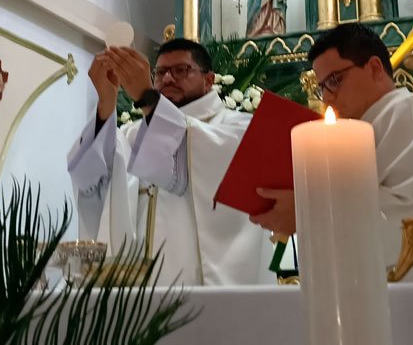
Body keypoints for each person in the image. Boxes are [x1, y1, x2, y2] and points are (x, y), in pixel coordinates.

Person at [67, 39, 269, 285]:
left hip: (201, 290)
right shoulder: (132, 134)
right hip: (135, 294)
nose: (168, 79)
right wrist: (105, 105)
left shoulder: (238, 127)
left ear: (209, 79)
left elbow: (185, 165)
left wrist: (147, 98)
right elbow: (88, 181)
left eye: (181, 70)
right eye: (161, 72)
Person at [249, 23, 413, 275]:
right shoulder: (355, 132)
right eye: (322, 86)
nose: (327, 98)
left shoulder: (408, 112)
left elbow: (408, 217)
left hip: (411, 290)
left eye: (335, 80)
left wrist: (305, 213)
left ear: (375, 68)